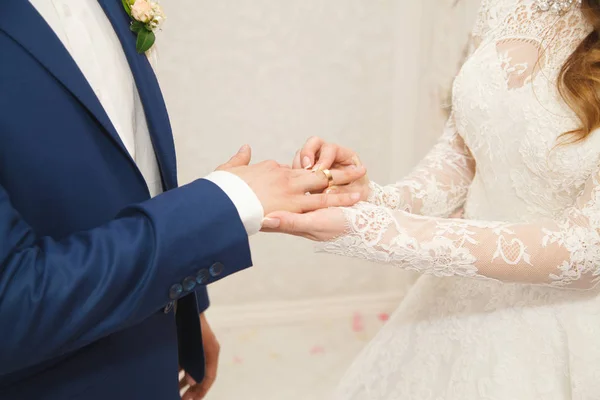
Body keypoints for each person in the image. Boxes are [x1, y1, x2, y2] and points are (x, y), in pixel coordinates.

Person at [0, 1, 366, 399]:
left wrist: (187, 310)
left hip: (147, 350)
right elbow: (12, 302)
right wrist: (227, 201)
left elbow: (132, 161)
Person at [264, 0, 600, 398]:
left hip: (558, 327)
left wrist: (378, 233)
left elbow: (584, 250)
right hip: (455, 299)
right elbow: (463, 155)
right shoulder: (503, 7)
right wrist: (373, 199)